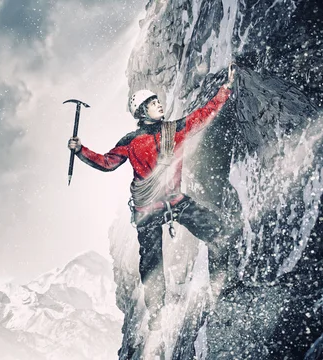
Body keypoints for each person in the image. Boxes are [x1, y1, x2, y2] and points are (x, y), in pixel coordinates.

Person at [68, 63, 236, 331]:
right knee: (194, 241)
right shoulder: (147, 137)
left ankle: (174, 305)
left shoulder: (163, 131)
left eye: (157, 100)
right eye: (152, 102)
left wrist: (225, 90)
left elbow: (204, 114)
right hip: (163, 205)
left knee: (154, 261)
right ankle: (164, 310)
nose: (159, 104)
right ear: (142, 110)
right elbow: (108, 162)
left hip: (156, 207)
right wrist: (81, 150)